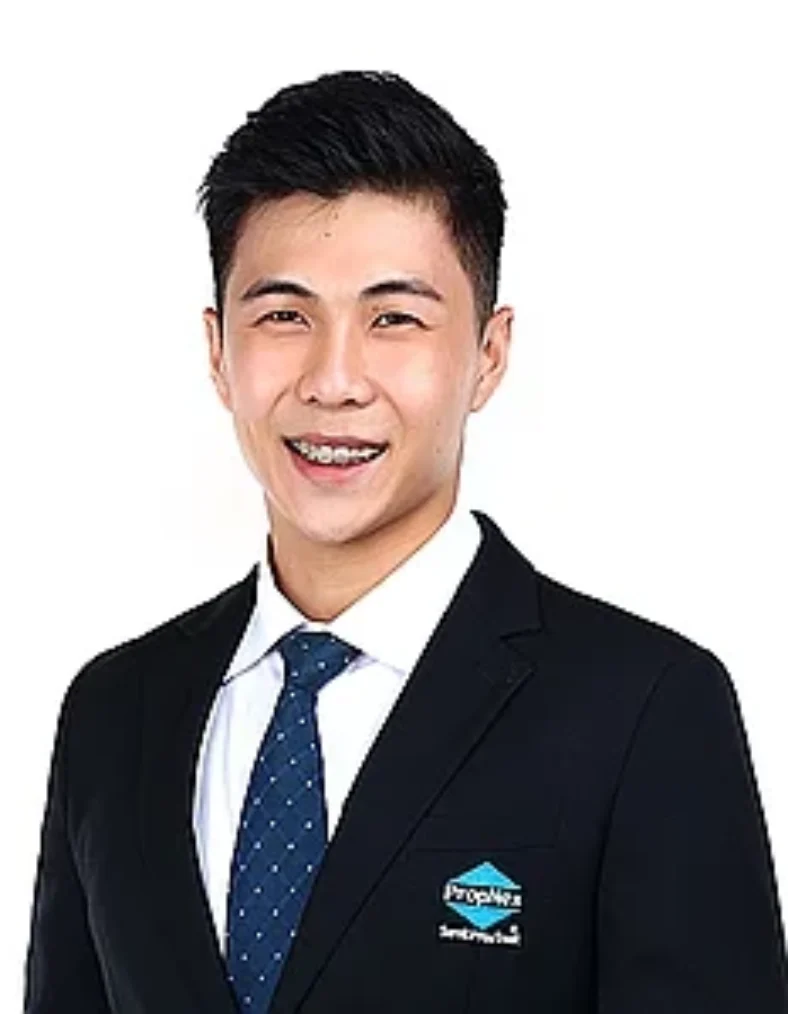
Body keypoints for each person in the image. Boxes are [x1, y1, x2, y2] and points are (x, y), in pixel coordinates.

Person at [24, 69, 788, 1014]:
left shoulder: (645, 709)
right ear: (219, 351)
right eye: (284, 316)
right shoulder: (113, 712)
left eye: (394, 319)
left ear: (488, 355)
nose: (334, 380)